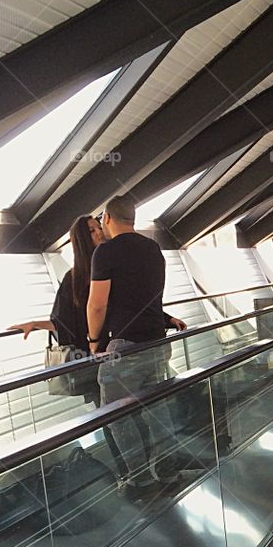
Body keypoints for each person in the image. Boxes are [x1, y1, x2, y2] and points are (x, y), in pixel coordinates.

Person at [10, 214, 187, 410]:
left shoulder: (111, 265)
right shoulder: (74, 278)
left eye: (98, 227)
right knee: (110, 413)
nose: (99, 233)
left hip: (119, 351)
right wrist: (36, 324)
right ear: (82, 240)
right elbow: (65, 320)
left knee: (128, 410)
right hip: (95, 357)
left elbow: (131, 305)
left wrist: (167, 319)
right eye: (92, 231)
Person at [86, 194, 190, 494]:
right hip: (157, 342)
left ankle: (140, 479)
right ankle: (166, 472)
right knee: (160, 410)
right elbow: (150, 297)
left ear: (107, 218)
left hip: (125, 348)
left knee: (116, 414)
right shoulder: (153, 248)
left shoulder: (105, 253)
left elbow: (96, 306)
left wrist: (94, 343)